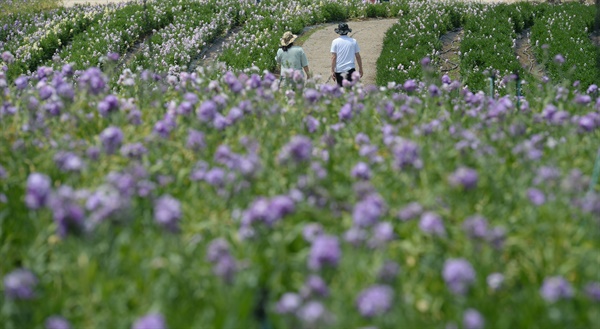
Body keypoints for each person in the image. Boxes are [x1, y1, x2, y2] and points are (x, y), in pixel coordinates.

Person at [330, 23, 363, 87]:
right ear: (347, 31)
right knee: (351, 90)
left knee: (341, 91)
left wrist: (332, 70)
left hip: (339, 70)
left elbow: (333, 57)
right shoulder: (353, 41)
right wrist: (360, 68)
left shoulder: (335, 42)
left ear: (339, 32)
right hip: (350, 69)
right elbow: (358, 56)